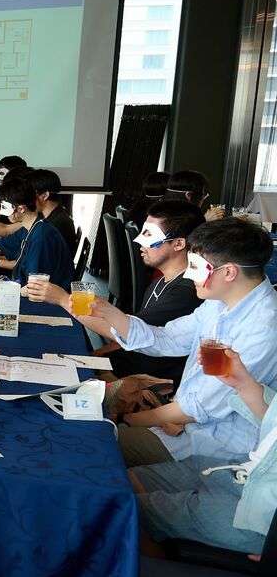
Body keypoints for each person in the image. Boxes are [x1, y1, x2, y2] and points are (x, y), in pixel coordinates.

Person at [74, 218, 277, 467]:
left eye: (196, 266)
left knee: (87, 443)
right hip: (180, 417)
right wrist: (112, 314)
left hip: (212, 442)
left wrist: (130, 419)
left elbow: (200, 407)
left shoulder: (263, 329)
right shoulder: (219, 302)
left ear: (229, 272)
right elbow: (169, 338)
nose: (188, 274)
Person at [30, 200, 204, 387]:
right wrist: (96, 355)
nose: (138, 240)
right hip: (120, 364)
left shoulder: (185, 293)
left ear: (178, 243)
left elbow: (129, 333)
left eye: (149, 234)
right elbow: (131, 331)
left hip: (139, 381)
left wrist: (63, 299)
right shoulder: (160, 281)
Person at [131, 347, 276, 558]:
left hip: (261, 517)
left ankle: (156, 574)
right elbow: (271, 417)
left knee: (126, 510)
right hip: (242, 471)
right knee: (126, 480)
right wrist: (242, 383)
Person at [0, 169, 78, 258]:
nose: (24, 195)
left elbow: (4, 231)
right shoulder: (39, 218)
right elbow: (4, 231)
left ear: (45, 195)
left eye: (29, 192)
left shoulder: (53, 225)